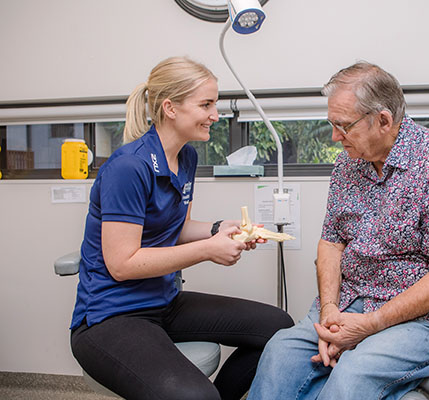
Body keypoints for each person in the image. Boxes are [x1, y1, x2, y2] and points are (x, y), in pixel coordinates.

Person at [247, 62, 429, 400]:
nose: (334, 136)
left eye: (343, 126)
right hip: (352, 301)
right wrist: (330, 311)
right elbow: (331, 243)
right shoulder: (348, 163)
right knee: (279, 355)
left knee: (351, 376)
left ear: (384, 121)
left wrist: (369, 326)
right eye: (332, 124)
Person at [69, 56, 293, 400]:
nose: (215, 115)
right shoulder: (128, 167)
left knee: (279, 329)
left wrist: (222, 229)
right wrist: (208, 250)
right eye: (206, 104)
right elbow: (122, 263)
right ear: (170, 108)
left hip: (163, 301)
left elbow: (179, 227)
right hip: (110, 315)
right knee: (194, 396)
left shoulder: (187, 158)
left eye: (215, 104)